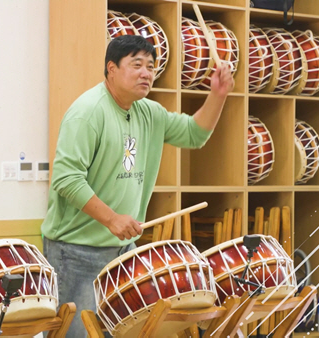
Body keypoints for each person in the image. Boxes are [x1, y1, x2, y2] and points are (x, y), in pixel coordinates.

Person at [41, 35, 234, 336]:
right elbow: (67, 179)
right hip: (76, 252)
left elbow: (194, 135)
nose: (147, 72)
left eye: (151, 66)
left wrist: (218, 95)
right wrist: (112, 218)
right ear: (111, 69)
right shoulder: (88, 111)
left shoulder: (150, 113)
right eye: (137, 65)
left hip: (123, 252)